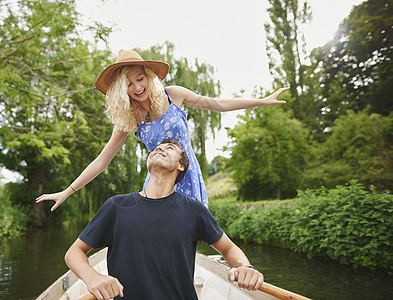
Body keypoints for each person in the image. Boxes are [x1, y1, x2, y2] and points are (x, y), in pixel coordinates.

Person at [36, 49, 288, 209]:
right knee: (158, 236)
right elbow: (102, 161)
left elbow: (218, 104)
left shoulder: (174, 95)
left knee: (188, 235)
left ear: (148, 76)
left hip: (186, 174)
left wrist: (262, 101)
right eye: (128, 84)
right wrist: (67, 191)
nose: (136, 87)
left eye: (139, 79)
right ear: (120, 90)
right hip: (158, 182)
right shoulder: (129, 118)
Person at [65, 139, 264, 300]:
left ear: (180, 166)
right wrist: (93, 277)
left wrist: (245, 267)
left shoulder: (194, 209)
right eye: (157, 147)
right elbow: (74, 252)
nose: (160, 148)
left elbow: (228, 249)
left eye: (169, 148)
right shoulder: (116, 206)